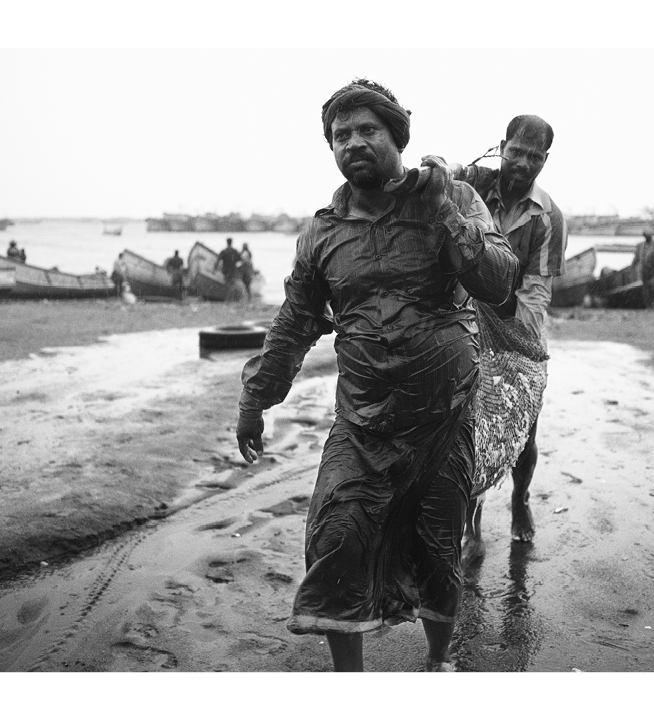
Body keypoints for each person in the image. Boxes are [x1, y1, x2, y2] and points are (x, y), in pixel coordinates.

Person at [234, 79, 517, 672]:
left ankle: (439, 661)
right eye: (341, 135)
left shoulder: (455, 198)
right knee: (336, 539)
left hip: (444, 421)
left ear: (398, 138)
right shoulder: (322, 232)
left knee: (439, 552)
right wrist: (255, 397)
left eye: (368, 130)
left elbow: (498, 282)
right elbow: (295, 321)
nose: (353, 142)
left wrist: (443, 210)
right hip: (362, 425)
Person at [451, 114, 565, 545]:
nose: (522, 163)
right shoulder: (474, 186)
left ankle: (520, 499)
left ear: (545, 160)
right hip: (464, 317)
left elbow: (537, 290)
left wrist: (518, 347)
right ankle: (470, 518)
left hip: (516, 324)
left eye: (533, 157)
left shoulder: (548, 216)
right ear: (502, 146)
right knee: (465, 422)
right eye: (516, 152)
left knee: (523, 427)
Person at [632, 231, 654, 309]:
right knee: (645, 287)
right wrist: (632, 266)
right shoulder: (641, 246)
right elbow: (636, 257)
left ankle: (653, 302)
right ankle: (647, 304)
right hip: (644, 269)